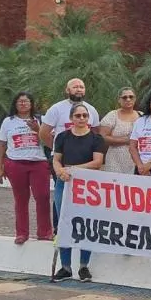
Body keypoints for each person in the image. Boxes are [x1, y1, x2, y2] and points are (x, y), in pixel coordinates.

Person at [51, 102, 105, 282]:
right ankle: (65, 267)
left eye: (85, 116)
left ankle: (83, 266)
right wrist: (60, 171)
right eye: (78, 116)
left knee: (86, 224)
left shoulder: (96, 139)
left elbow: (97, 162)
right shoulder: (62, 137)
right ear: (71, 118)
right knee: (64, 222)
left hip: (87, 187)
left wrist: (73, 169)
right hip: (64, 183)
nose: (81, 119)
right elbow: (56, 159)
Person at [0, 92, 52, 244]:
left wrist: (37, 129)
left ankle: (45, 232)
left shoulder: (42, 120)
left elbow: (50, 143)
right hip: (15, 163)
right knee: (20, 199)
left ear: (32, 104)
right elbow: (1, 144)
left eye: (26, 101)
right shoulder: (8, 121)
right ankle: (21, 233)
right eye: (19, 101)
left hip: (38, 163)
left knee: (43, 197)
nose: (23, 104)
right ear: (15, 104)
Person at [39, 78, 100, 148]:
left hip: (86, 154)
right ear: (67, 90)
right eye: (75, 87)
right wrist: (56, 148)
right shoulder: (56, 108)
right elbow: (43, 133)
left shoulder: (91, 110)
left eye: (82, 87)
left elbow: (95, 132)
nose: (79, 90)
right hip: (62, 156)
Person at [100, 88, 141, 174]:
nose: (128, 99)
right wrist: (128, 140)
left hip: (137, 162)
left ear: (135, 99)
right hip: (115, 161)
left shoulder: (142, 116)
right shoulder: (112, 115)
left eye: (131, 97)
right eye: (124, 97)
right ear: (119, 100)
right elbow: (102, 137)